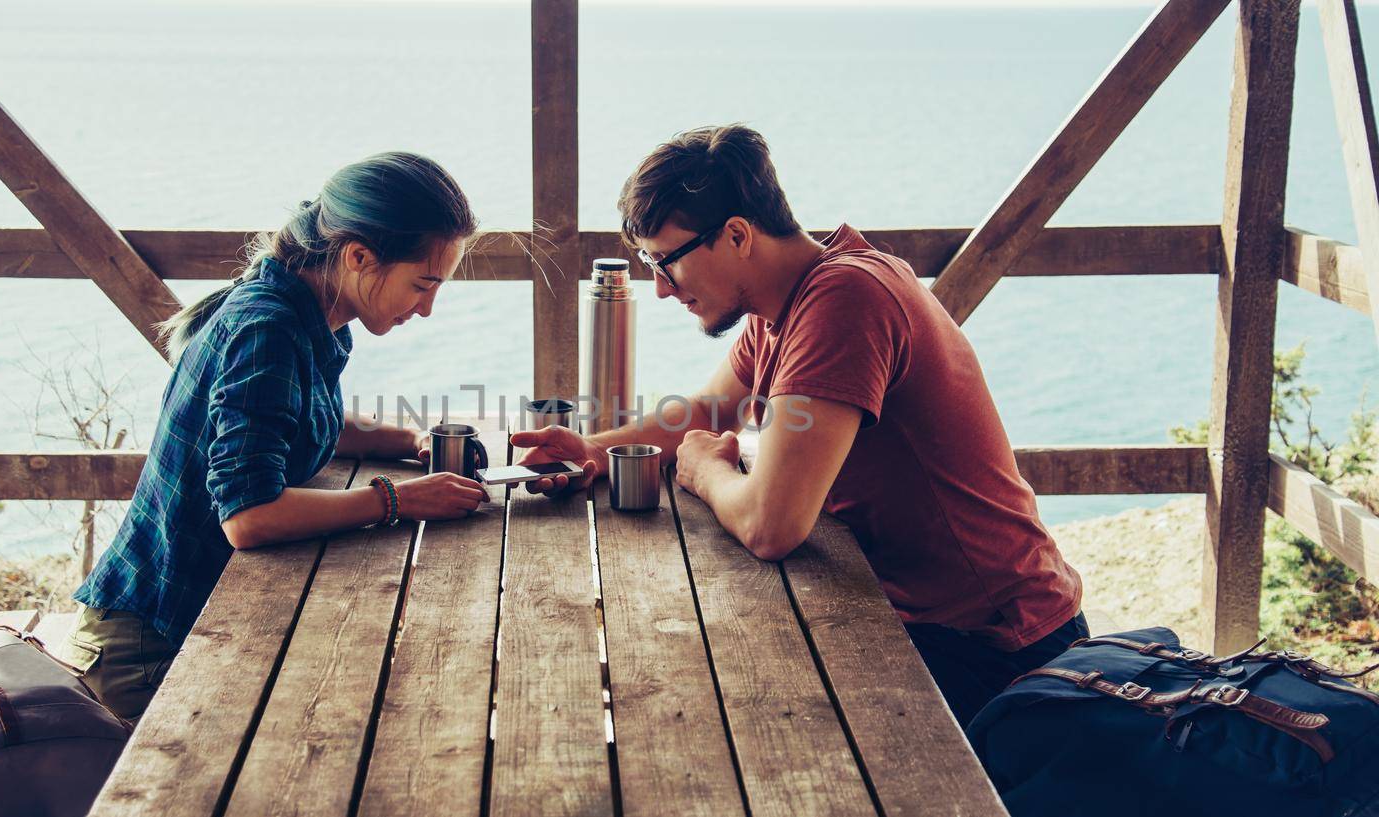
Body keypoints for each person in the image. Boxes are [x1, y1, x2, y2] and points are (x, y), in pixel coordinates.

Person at [513, 125, 1085, 726]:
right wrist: (593, 450)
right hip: (909, 618)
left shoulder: (845, 299)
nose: (659, 289)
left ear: (737, 234)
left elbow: (769, 525)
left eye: (666, 263)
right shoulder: (783, 303)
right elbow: (704, 414)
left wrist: (707, 471)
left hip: (998, 650)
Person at [67, 153, 490, 721]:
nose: (428, 308)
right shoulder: (267, 327)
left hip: (203, 620)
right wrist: (395, 500)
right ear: (359, 257)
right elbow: (249, 518)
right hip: (151, 644)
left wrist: (407, 440)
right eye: (422, 284)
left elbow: (294, 417)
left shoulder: (312, 307)